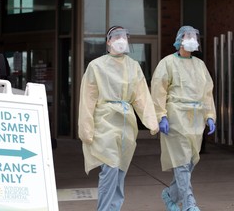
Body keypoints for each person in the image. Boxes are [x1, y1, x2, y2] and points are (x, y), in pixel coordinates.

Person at [78, 26, 159, 211]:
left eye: (124, 36)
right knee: (110, 169)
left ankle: (114, 208)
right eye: (116, 36)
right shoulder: (96, 66)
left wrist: (152, 122)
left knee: (120, 172)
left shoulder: (133, 66)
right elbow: (88, 99)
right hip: (104, 122)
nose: (121, 40)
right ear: (108, 41)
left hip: (126, 125)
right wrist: (86, 129)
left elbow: (141, 96)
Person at [151, 25, 216, 211]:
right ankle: (189, 204)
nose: (192, 40)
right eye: (188, 36)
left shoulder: (200, 65)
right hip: (175, 117)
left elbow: (207, 93)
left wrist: (210, 115)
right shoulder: (167, 63)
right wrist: (161, 115)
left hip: (196, 119)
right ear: (180, 39)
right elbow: (158, 91)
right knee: (180, 162)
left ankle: (170, 195)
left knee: (190, 161)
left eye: (195, 37)